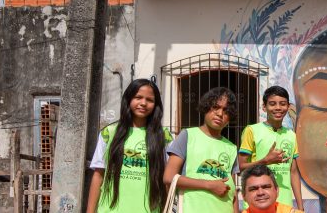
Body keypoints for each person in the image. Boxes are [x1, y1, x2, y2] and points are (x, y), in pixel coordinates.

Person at [86, 79, 172, 213]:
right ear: (128, 99)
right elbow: (98, 175)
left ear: (156, 105)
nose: (143, 103)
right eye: (138, 97)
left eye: (150, 100)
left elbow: (168, 178)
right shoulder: (109, 133)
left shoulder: (164, 136)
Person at [164, 87, 241, 213]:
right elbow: (168, 177)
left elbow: (232, 192)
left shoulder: (231, 147)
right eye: (216, 107)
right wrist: (209, 185)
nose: (220, 114)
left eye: (226, 111)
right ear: (206, 107)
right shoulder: (187, 136)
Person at [239, 86, 303, 209]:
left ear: (288, 107)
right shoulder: (252, 130)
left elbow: (293, 172)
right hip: (257, 203)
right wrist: (265, 161)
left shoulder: (291, 135)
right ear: (264, 107)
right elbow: (241, 167)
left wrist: (300, 206)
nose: (278, 108)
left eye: (282, 104)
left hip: (284, 204)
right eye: (272, 104)